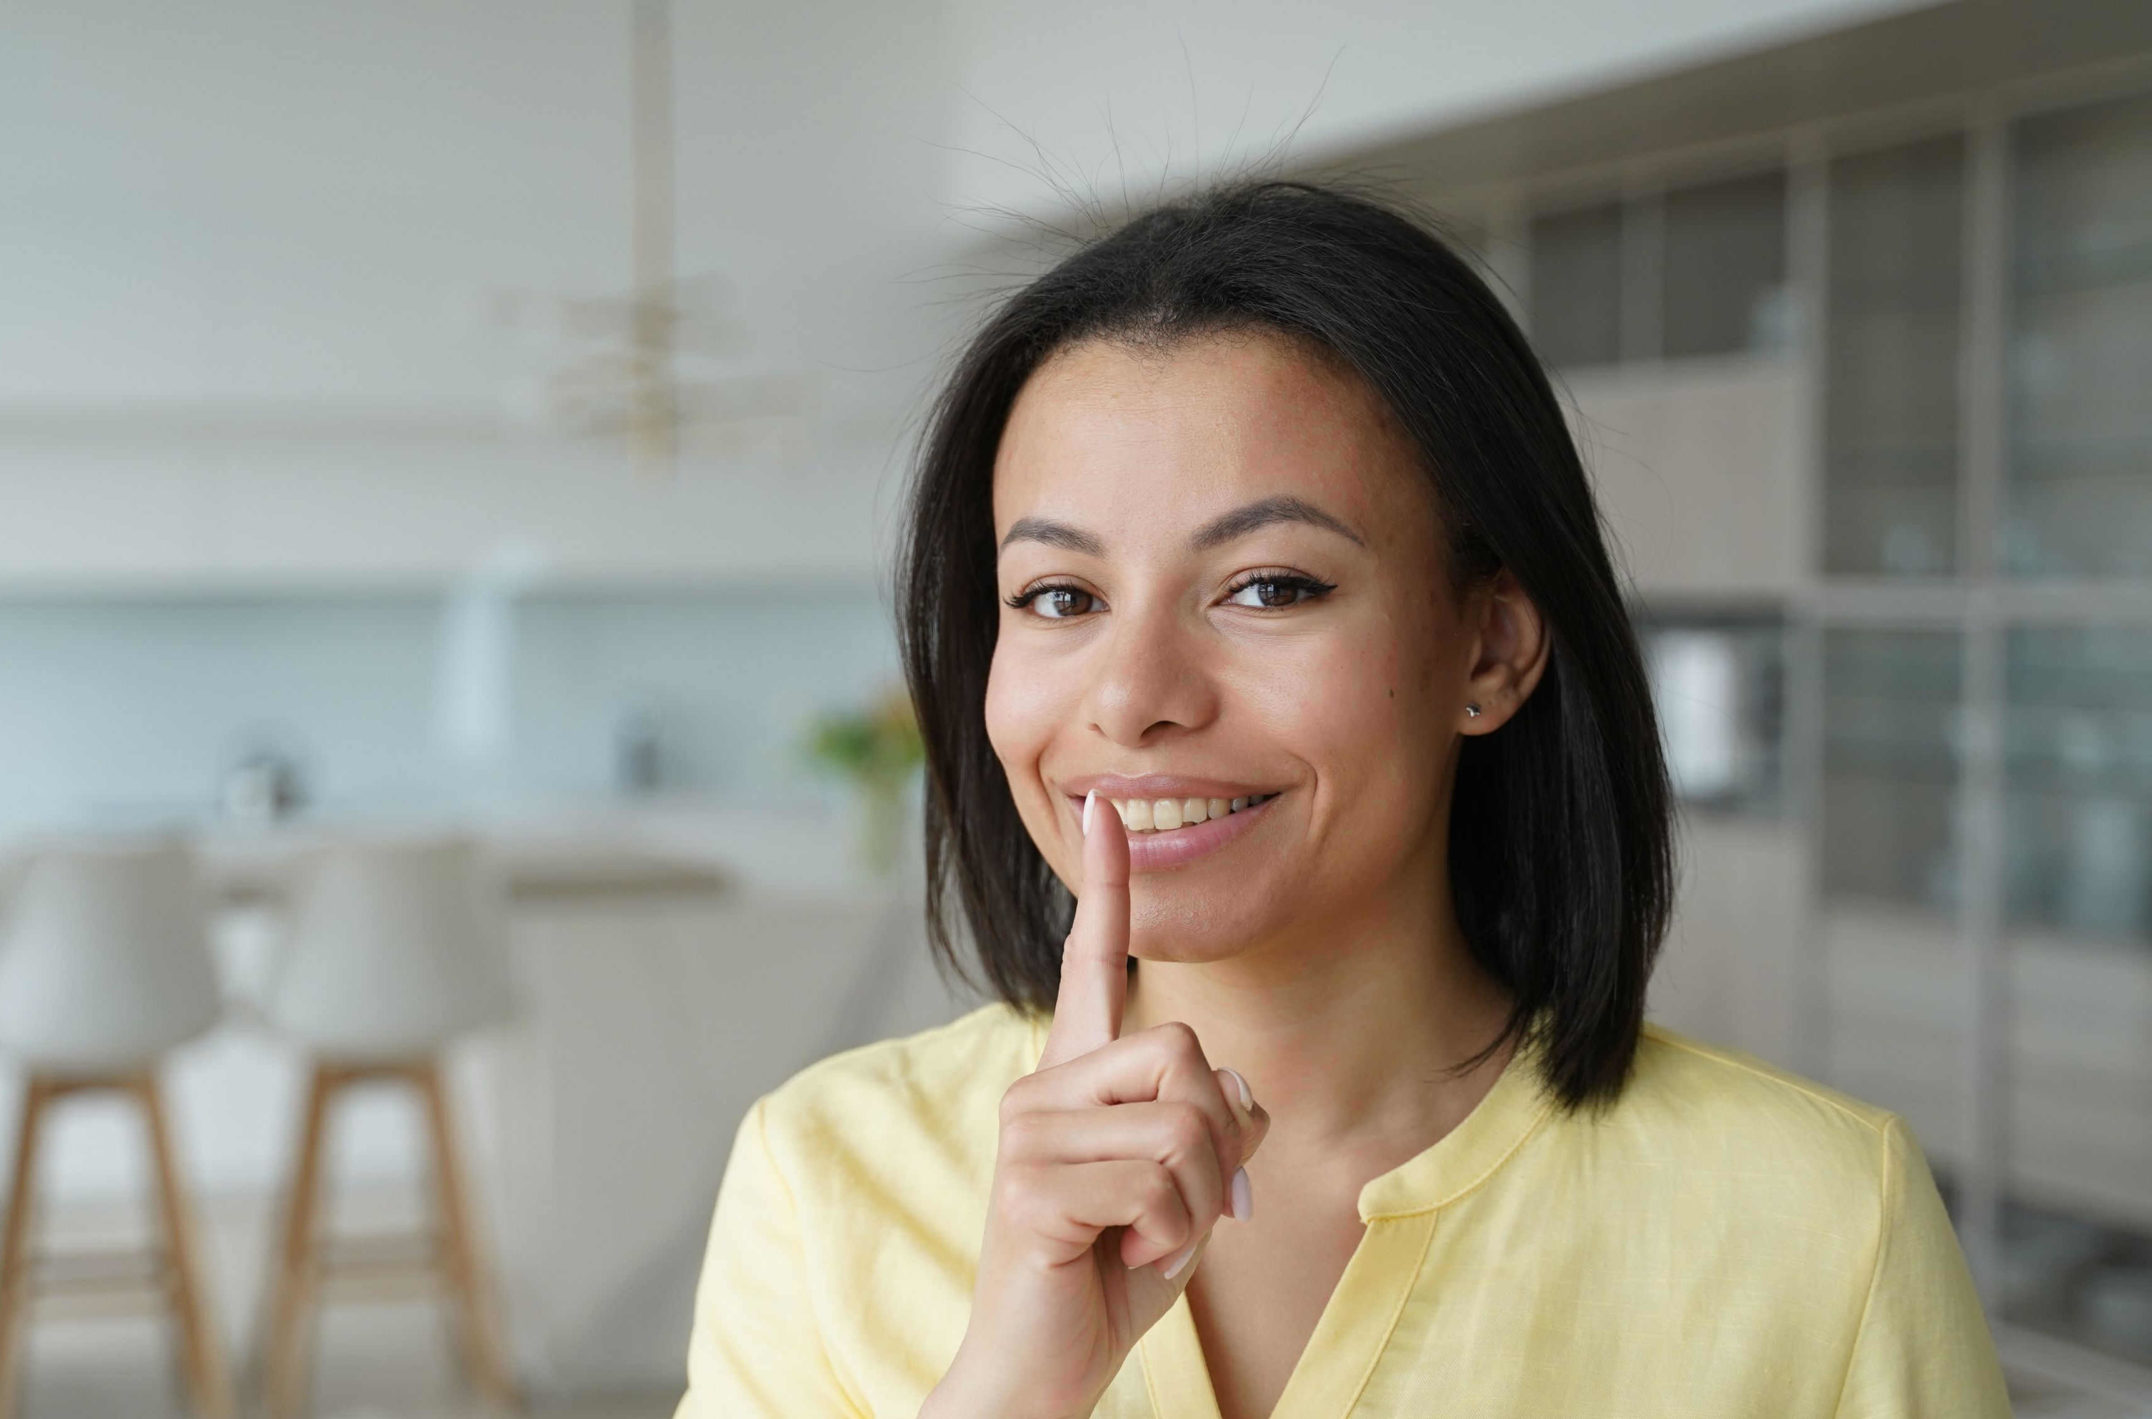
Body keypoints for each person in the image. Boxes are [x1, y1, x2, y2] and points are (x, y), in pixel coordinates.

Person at [673, 179, 2012, 1419]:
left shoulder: (1824, 1225)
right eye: (1061, 598)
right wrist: (1013, 1386)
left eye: (1269, 586)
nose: (1134, 695)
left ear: (1486, 648)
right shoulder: (826, 1181)